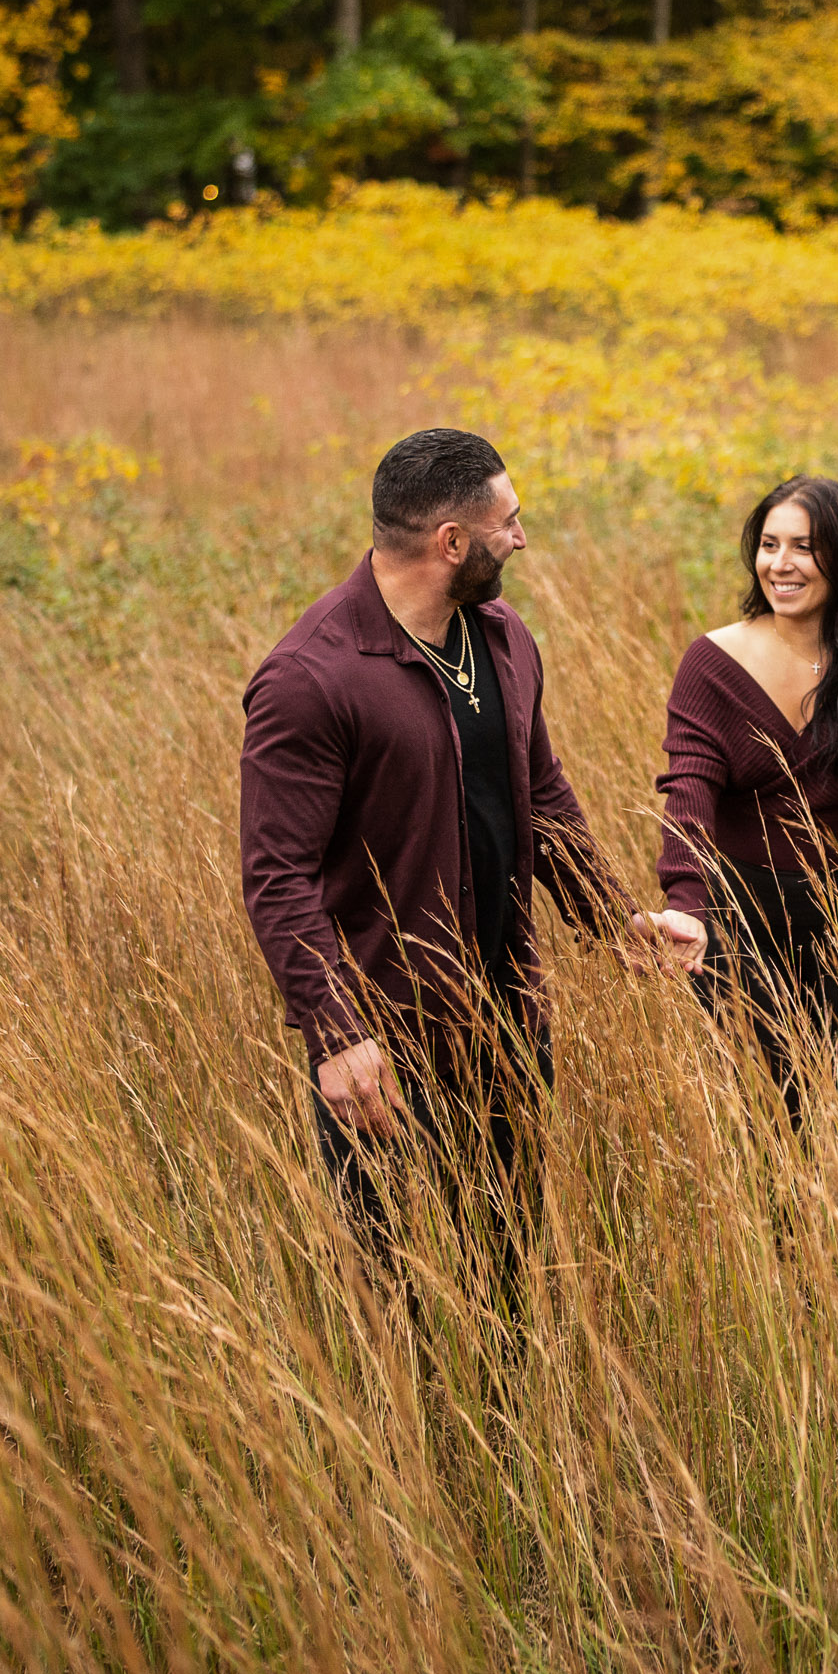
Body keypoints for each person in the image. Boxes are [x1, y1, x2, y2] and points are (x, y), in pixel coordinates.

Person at [240, 427, 705, 1308]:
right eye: (510, 522)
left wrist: (612, 924)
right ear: (452, 543)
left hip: (509, 1020)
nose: (521, 539)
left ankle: (506, 1438)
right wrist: (336, 1037)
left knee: (504, 1281)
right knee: (398, 1293)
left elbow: (542, 794)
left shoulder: (500, 635)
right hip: (387, 1043)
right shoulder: (311, 678)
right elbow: (277, 877)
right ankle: (400, 1451)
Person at [656, 475, 838, 1168]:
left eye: (803, 547)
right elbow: (688, 793)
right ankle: (774, 1265)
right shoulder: (712, 664)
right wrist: (686, 905)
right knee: (762, 1118)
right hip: (741, 918)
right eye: (768, 545)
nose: (780, 564)